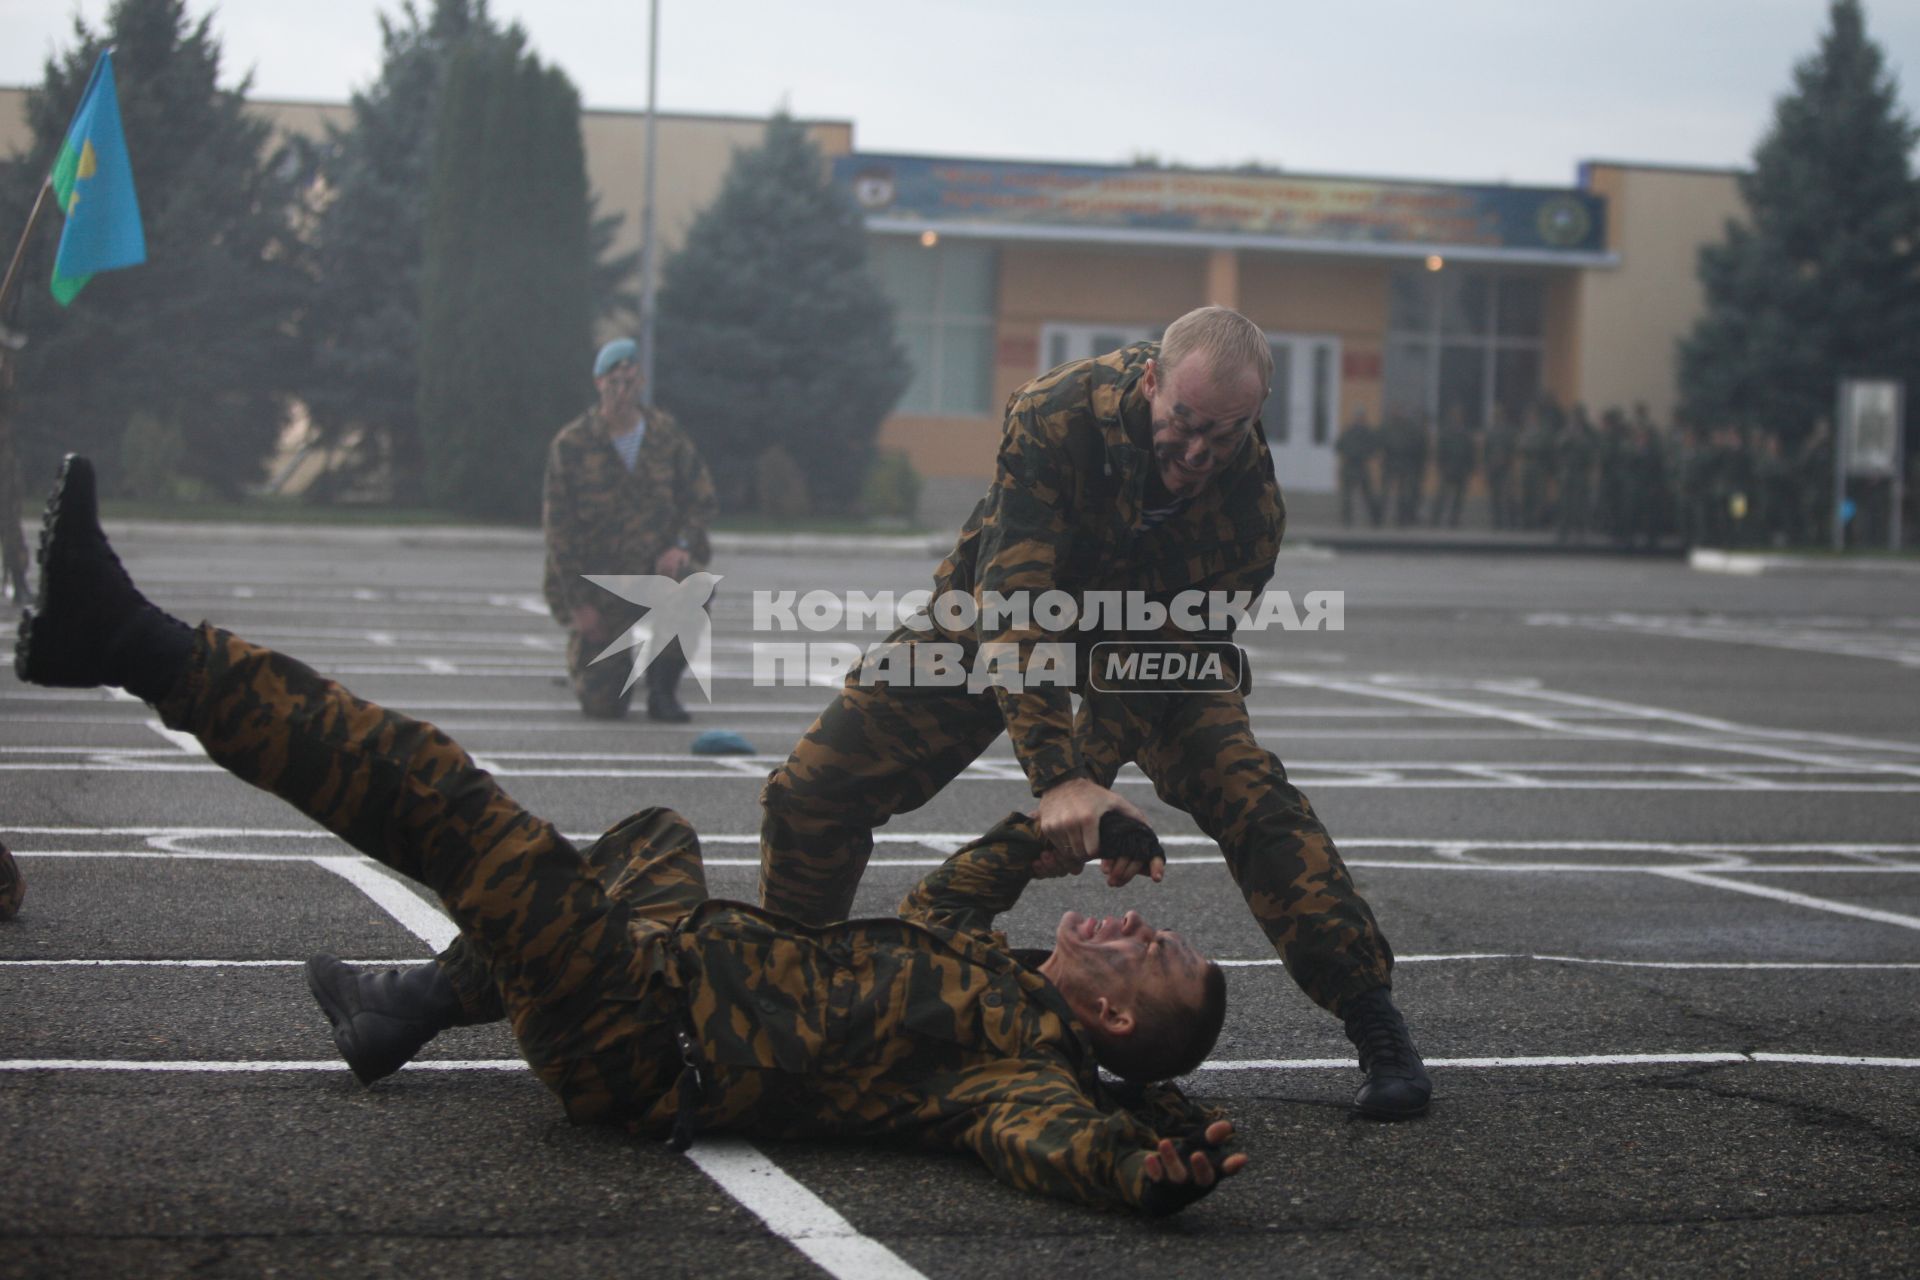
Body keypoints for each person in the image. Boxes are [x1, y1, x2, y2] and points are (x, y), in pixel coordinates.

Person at [14, 455, 1247, 1216]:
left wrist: (1146, 1172)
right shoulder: (988, 973)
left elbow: (1058, 1146)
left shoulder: (1021, 1071)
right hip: (666, 962)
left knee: (444, 797)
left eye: (1155, 953)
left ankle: (123, 639)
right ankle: (406, 1010)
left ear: (1119, 1022)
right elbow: (960, 891)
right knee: (653, 830)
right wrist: (1068, 821)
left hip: (639, 1034)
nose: (1142, 925)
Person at [758, 306, 1430, 1120]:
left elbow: (1155, 666)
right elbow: (1016, 600)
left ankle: (1374, 1019)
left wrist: (1094, 789)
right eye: (1182, 424)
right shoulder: (1054, 413)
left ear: (1255, 418)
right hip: (1005, 612)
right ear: (1151, 383)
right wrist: (1059, 780)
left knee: (1252, 793)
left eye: (1225, 434)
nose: (1197, 453)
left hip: (1148, 645)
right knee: (816, 786)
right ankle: (779, 999)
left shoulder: (1252, 510)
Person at [543, 338, 717, 722]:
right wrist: (579, 604)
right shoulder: (572, 445)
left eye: (629, 381)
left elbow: (700, 497)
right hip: (601, 586)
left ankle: (662, 689)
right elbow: (560, 533)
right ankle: (594, 662)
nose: (622, 392)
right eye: (613, 382)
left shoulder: (665, 436)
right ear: (598, 384)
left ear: (640, 383)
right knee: (603, 705)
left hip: (656, 572)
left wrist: (681, 545)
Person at [1335, 408, 1384, 528]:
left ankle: (1375, 520)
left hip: (1361, 466)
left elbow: (1373, 448)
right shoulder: (1348, 431)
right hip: (1349, 466)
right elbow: (1339, 446)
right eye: (1357, 416)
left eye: (1360, 417)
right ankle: (1347, 521)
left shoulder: (1368, 433)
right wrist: (1350, 453)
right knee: (1347, 496)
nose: (1358, 419)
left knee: (1369, 495)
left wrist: (1363, 454)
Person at [1428, 407, 1475, 529]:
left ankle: (1454, 521)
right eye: (1455, 415)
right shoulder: (1446, 433)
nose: (1457, 418)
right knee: (1441, 497)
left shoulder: (1466, 434)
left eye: (1459, 416)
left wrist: (1470, 469)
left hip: (1462, 470)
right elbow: (1440, 452)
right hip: (1447, 469)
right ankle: (1435, 521)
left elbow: (1471, 453)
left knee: (1458, 499)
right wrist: (1442, 467)